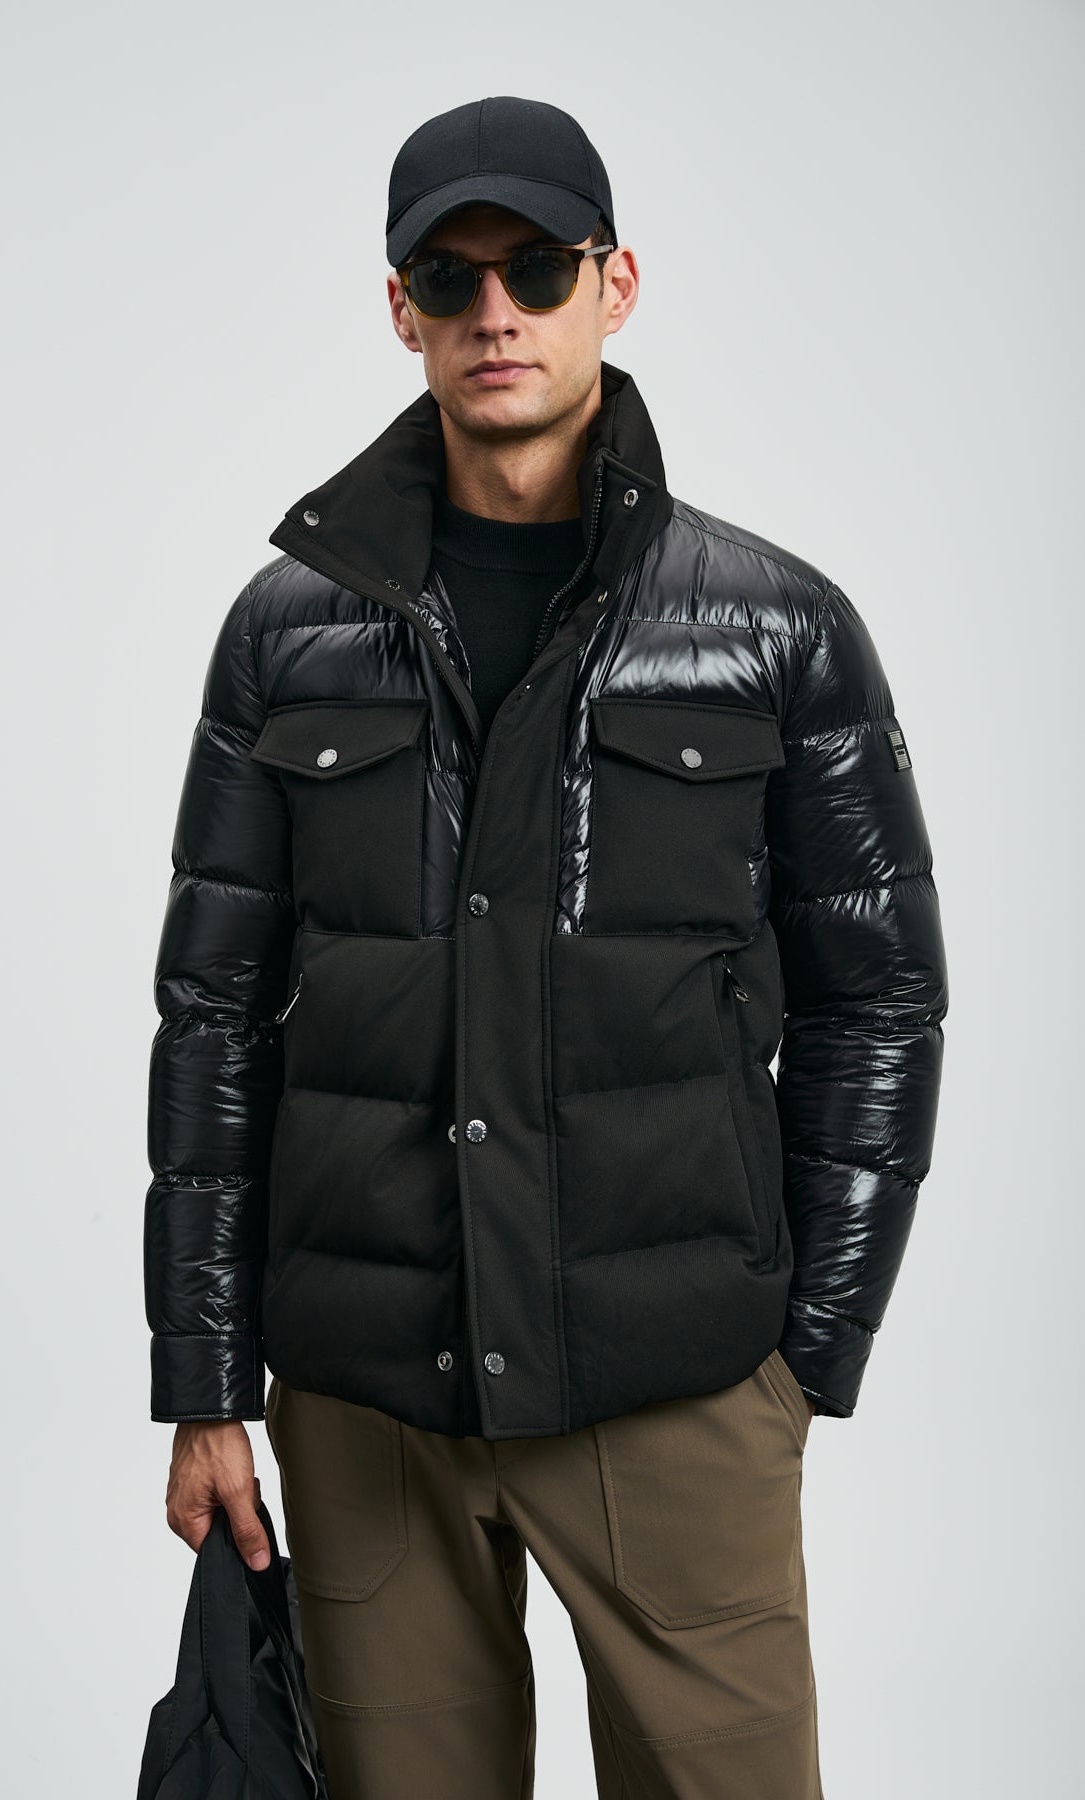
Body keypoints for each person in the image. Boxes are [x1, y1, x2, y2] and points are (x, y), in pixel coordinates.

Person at [144, 94, 949, 1798]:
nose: (494, 308)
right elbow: (214, 1015)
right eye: (450, 274)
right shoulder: (287, 636)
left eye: (538, 266)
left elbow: (879, 997)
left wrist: (806, 1352)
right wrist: (205, 1384)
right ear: (402, 309)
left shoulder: (774, 629)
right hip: (367, 1410)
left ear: (614, 284)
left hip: (678, 1393)